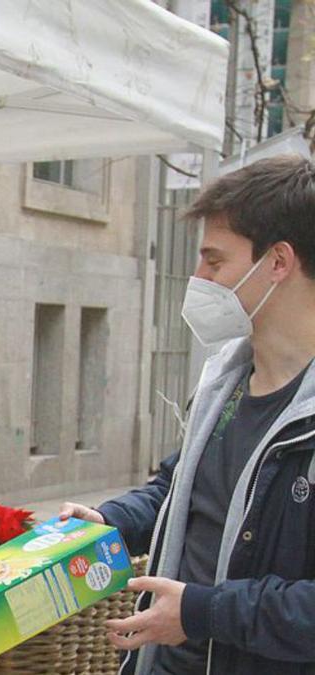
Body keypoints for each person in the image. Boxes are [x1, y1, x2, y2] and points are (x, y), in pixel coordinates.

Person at [60, 155, 315, 675]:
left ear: (278, 262)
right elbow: (180, 491)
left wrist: (202, 612)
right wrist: (110, 521)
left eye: (215, 262)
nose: (197, 278)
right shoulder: (225, 382)